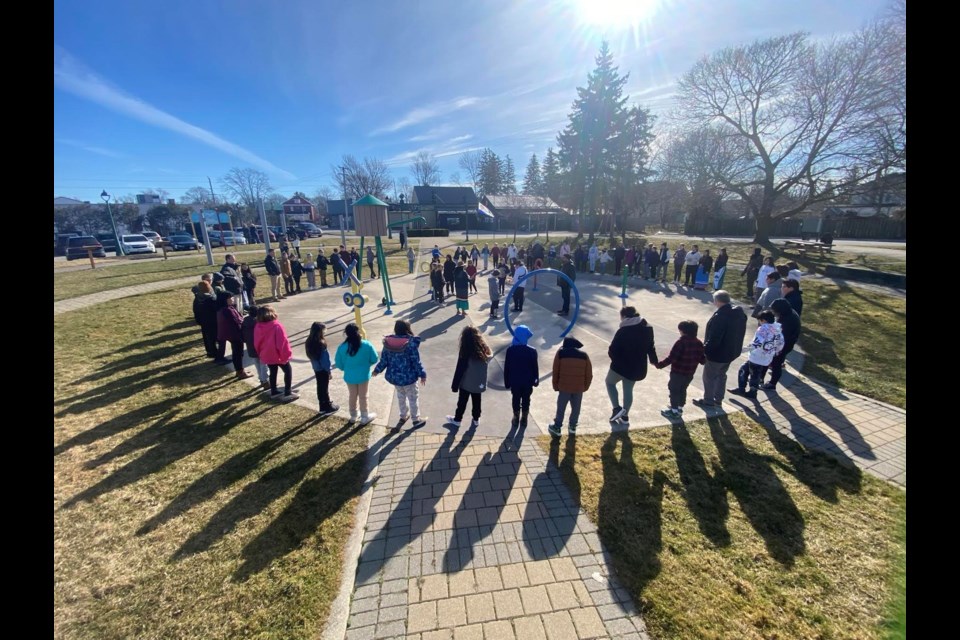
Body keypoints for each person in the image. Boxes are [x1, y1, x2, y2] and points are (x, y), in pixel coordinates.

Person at [693, 290, 748, 409]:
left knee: (709, 377)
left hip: (717, 353)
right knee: (721, 375)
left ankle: (708, 400)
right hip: (731, 352)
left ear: (717, 301)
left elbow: (715, 337)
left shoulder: (721, 316)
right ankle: (718, 399)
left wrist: (705, 350)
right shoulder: (739, 314)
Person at [606, 306, 658, 426]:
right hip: (637, 366)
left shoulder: (623, 330)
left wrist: (614, 360)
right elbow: (651, 346)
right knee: (628, 389)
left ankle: (616, 408)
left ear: (624, 316)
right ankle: (625, 416)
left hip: (620, 365)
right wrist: (654, 360)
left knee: (610, 382)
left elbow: (613, 349)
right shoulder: (648, 328)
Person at [373, 319, 428, 431]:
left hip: (395, 378)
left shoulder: (388, 343)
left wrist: (377, 370)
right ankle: (415, 419)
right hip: (409, 378)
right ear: (407, 329)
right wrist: (422, 374)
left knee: (401, 396)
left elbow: (384, 360)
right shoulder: (411, 343)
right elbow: (415, 361)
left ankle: (403, 416)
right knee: (413, 398)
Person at [655, 320, 706, 419]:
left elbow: (672, 358)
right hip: (690, 372)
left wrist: (660, 365)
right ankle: (680, 407)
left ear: (683, 331)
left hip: (678, 371)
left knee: (674, 389)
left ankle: (674, 411)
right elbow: (702, 359)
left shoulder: (680, 342)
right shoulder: (698, 342)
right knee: (683, 389)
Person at [729, 310, 783, 399]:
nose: (759, 323)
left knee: (753, 374)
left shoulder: (763, 329)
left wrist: (742, 350)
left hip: (757, 356)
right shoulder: (777, 328)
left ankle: (752, 392)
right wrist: (775, 351)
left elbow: (756, 343)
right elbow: (781, 342)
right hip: (767, 356)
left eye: (759, 321)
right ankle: (741, 388)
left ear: (763, 320)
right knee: (745, 369)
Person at [547, 336, 593, 438]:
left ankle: (557, 427)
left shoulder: (560, 354)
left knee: (561, 408)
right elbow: (588, 374)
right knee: (576, 408)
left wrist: (555, 386)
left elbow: (556, 371)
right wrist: (585, 387)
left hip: (564, 387)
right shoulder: (584, 355)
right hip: (579, 388)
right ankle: (572, 427)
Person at [334, 322, 379, 425]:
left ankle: (353, 415)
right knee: (363, 396)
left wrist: (346, 368)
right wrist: (367, 364)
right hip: (363, 375)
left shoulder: (342, 347)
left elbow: (339, 364)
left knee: (352, 395)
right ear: (358, 332)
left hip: (349, 376)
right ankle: (364, 416)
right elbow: (374, 358)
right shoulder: (367, 345)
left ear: (346, 333)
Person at [447, 326, 492, 428]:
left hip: (466, 383)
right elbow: (490, 354)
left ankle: (457, 419)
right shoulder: (484, 350)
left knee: (462, 401)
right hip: (478, 383)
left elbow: (460, 369)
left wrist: (455, 385)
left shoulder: (465, 351)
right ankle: (476, 419)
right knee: (477, 401)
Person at [254, 304, 299, 401]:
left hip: (266, 354)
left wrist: (260, 353)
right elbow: (282, 343)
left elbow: (256, 341)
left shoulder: (258, 326)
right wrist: (285, 356)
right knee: (287, 371)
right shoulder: (276, 326)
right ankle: (288, 392)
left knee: (273, 372)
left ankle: (273, 391)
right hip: (278, 355)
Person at [504, 325, 539, 428]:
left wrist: (507, 381)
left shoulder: (510, 350)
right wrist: (536, 380)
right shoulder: (532, 351)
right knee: (526, 399)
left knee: (515, 398)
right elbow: (535, 367)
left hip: (515, 381)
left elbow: (507, 367)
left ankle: (516, 417)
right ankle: (524, 418)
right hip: (527, 381)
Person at [762, 298, 801, 391]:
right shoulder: (789, 313)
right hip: (786, 343)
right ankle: (766, 380)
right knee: (775, 362)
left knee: (776, 363)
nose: (773, 312)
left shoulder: (788, 320)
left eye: (774, 310)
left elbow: (782, 336)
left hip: (783, 345)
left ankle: (772, 384)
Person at [216, 292, 251, 379]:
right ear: (225, 300)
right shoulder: (227, 311)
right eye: (230, 298)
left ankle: (239, 370)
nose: (232, 299)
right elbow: (236, 322)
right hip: (234, 334)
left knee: (237, 353)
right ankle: (240, 372)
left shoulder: (227, 308)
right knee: (238, 353)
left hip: (232, 334)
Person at [241, 305, 269, 389]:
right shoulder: (259, 322)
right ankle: (265, 381)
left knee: (256, 363)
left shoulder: (245, 321)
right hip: (260, 346)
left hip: (250, 346)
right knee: (264, 363)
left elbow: (243, 334)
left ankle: (261, 379)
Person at [193, 280, 219, 358]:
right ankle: (215, 352)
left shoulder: (198, 298)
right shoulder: (211, 298)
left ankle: (209, 352)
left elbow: (195, 310)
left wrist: (198, 320)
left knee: (206, 337)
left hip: (203, 321)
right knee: (214, 337)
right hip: (213, 320)